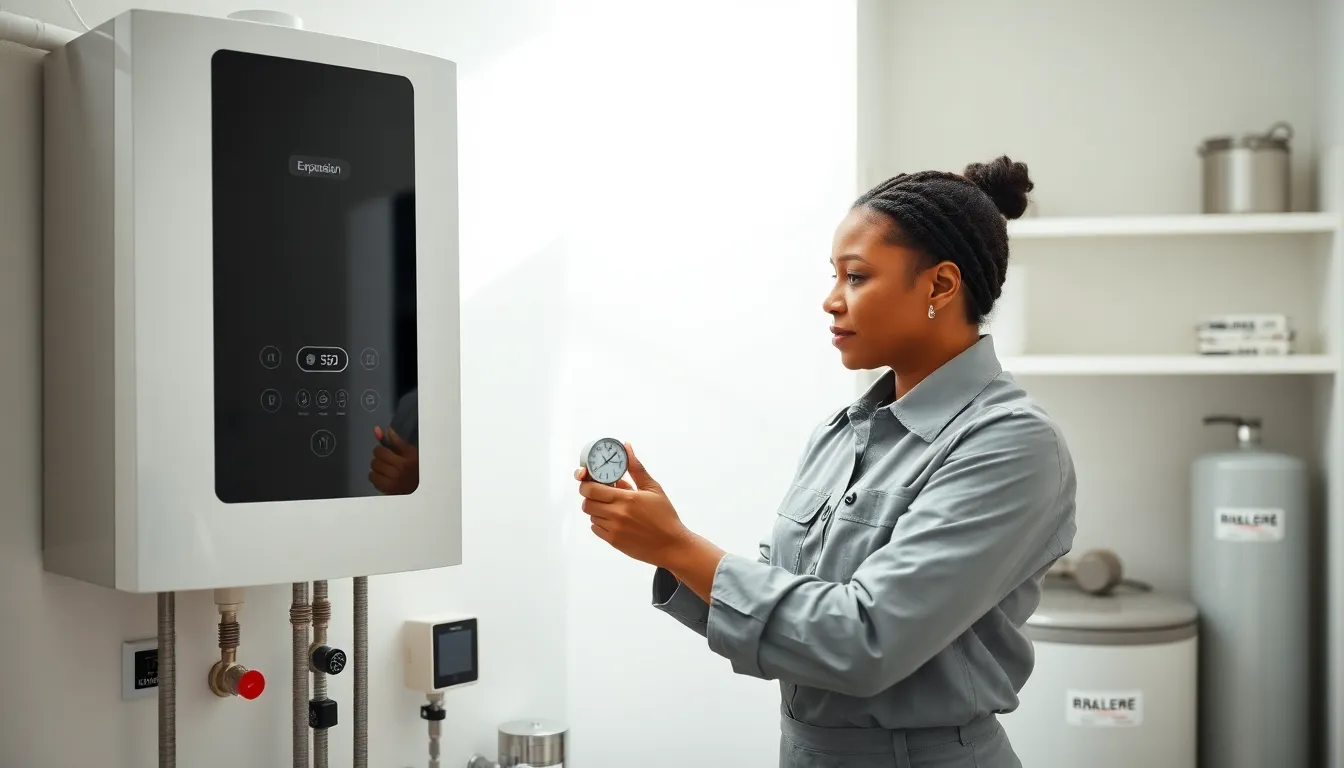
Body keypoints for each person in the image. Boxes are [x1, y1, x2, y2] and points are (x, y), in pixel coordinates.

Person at [574, 156, 1078, 767]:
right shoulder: (842, 435)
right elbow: (782, 606)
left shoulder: (1010, 444)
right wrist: (663, 544)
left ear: (941, 286)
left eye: (856, 277)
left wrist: (678, 545)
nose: (831, 301)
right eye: (833, 276)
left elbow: (864, 641)